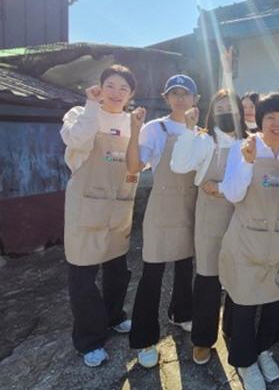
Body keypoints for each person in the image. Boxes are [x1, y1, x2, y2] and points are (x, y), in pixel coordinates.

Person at [217, 93, 279, 390]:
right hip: (247, 237)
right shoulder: (245, 148)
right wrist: (249, 164)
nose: (277, 124)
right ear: (260, 121)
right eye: (270, 118)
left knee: (274, 298)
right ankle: (244, 360)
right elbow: (233, 193)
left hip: (278, 239)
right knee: (243, 299)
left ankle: (264, 349)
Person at [60, 65, 139, 367]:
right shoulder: (79, 114)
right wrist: (91, 105)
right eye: (110, 84)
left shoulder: (133, 122)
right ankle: (89, 340)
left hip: (119, 206)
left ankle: (114, 316)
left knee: (118, 269)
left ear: (131, 94)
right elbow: (77, 142)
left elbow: (137, 163)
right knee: (82, 276)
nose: (116, 92)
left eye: (123, 87)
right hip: (86, 207)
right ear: (100, 87)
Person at [126, 74, 199, 368]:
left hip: (190, 205)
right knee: (152, 273)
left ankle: (181, 313)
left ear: (196, 99)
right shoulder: (155, 129)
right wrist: (133, 130)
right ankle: (144, 339)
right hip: (162, 207)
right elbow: (134, 166)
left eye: (186, 93)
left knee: (185, 267)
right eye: (174, 93)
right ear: (166, 97)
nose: (180, 98)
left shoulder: (202, 130)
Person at [170, 85, 246, 365]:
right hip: (210, 218)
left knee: (239, 276)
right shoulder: (204, 140)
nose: (227, 113)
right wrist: (189, 130)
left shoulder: (249, 143)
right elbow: (179, 165)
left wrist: (223, 187)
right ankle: (203, 339)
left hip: (242, 216)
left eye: (232, 108)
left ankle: (233, 330)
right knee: (208, 278)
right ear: (213, 113)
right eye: (221, 108)